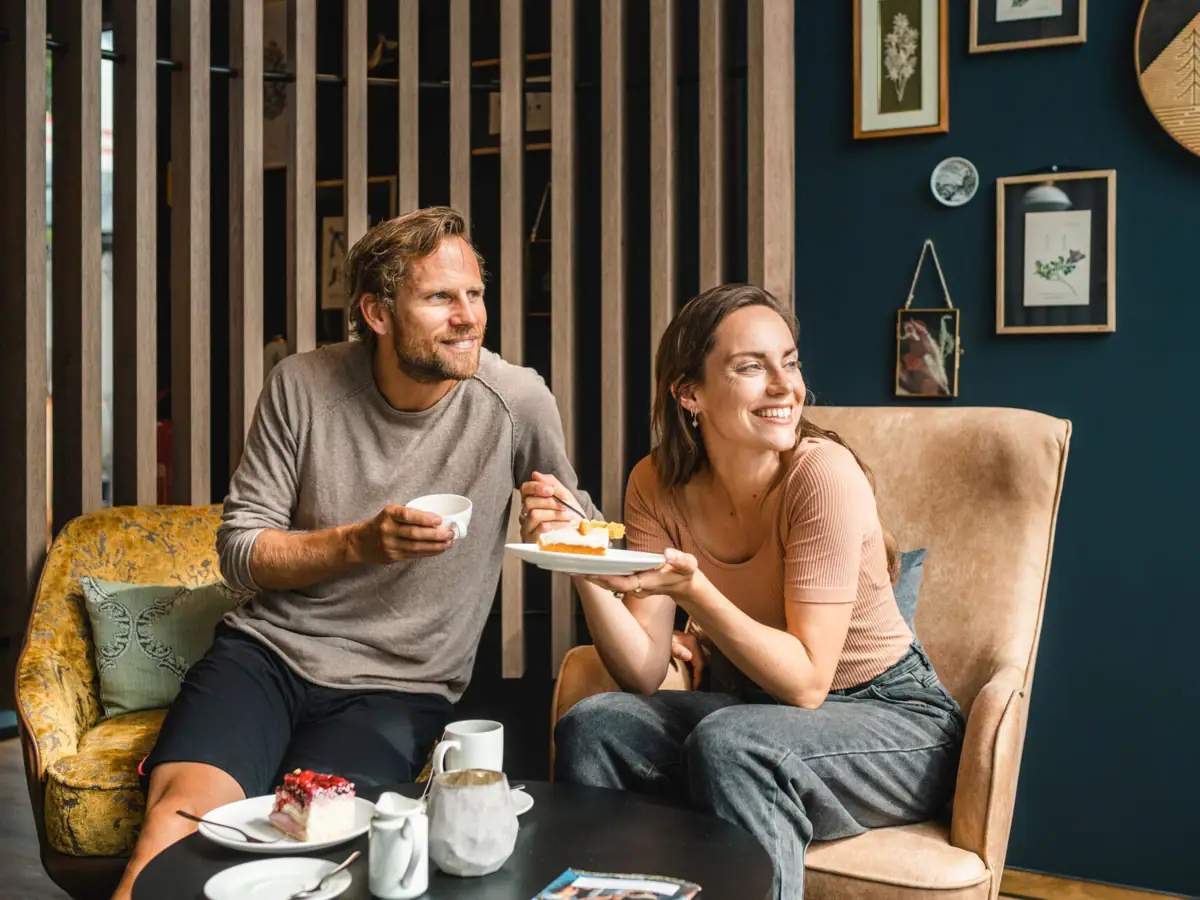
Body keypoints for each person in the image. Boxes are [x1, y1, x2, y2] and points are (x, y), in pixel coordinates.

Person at [112, 206, 597, 900]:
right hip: (266, 659)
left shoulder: (516, 399)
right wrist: (359, 544)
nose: (468, 316)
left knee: (317, 854)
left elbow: (579, 523)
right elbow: (239, 551)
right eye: (439, 298)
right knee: (172, 834)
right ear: (375, 312)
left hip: (399, 689)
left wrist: (563, 519)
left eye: (475, 295)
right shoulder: (302, 387)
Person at [520, 284, 964, 900]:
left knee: (733, 744)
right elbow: (643, 671)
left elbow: (809, 682)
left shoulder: (821, 475)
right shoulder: (655, 482)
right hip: (764, 714)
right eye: (751, 367)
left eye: (790, 361)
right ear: (689, 393)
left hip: (895, 721)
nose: (785, 386)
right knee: (594, 725)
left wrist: (696, 594)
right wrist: (576, 559)